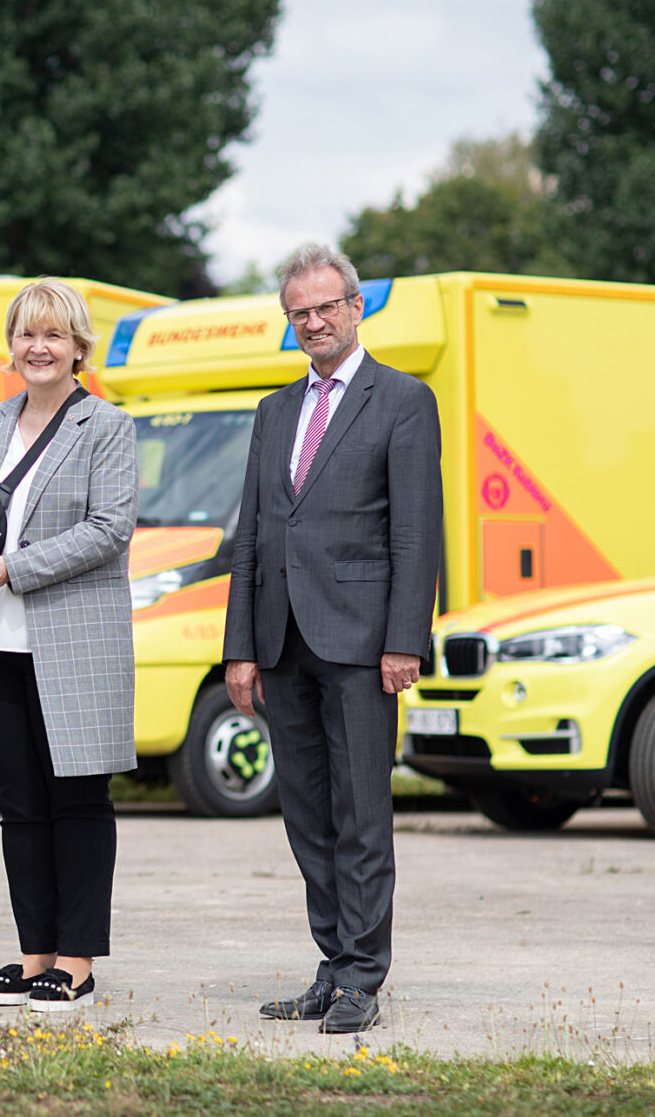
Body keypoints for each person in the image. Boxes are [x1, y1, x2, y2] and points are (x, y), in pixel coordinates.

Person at [222, 242, 441, 1034]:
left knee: (360, 815)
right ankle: (332, 963)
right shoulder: (274, 411)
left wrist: (403, 640)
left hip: (360, 645)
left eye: (324, 307)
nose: (313, 322)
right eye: (298, 313)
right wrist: (239, 646)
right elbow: (251, 535)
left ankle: (363, 976)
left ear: (356, 307)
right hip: (280, 643)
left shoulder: (404, 400)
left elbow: (416, 533)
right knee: (307, 815)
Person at [0, 277, 137, 1014]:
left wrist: (17, 567)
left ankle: (76, 963)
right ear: (11, 345)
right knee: (18, 804)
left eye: (54, 335)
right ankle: (34, 956)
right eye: (26, 333)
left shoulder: (106, 426)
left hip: (73, 641)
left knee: (78, 800)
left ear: (78, 347)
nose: (38, 347)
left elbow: (111, 529)